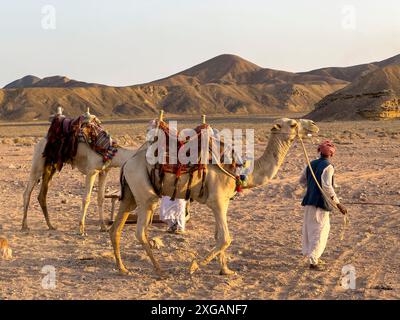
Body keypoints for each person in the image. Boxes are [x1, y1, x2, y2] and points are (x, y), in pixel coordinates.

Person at [299, 140, 348, 270]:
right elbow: (327, 187)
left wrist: (311, 189)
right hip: (320, 204)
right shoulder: (328, 166)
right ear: (331, 154)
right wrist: (338, 204)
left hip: (309, 202)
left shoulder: (311, 164)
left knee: (309, 230)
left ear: (319, 151)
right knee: (319, 231)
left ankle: (311, 256)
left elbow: (302, 181)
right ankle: (313, 261)